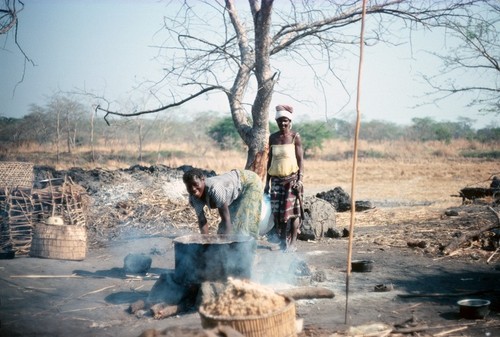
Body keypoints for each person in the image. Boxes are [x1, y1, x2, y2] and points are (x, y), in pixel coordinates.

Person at [264, 104, 304, 252]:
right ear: (276, 122)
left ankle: (292, 243)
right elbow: (270, 160)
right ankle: (282, 242)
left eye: (285, 120)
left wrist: (300, 180)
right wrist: (267, 183)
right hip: (276, 180)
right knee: (278, 214)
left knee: (293, 214)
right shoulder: (273, 138)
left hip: (292, 180)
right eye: (280, 120)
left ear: (290, 121)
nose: (283, 123)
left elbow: (301, 160)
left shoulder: (295, 137)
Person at [183, 168, 263, 238]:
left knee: (244, 223)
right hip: (235, 189)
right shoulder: (193, 196)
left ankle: (249, 251)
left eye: (196, 184)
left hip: (249, 182)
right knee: (223, 230)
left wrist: (224, 246)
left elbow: (226, 219)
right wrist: (205, 242)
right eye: (189, 187)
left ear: (203, 179)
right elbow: (202, 220)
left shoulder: (215, 189)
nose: (193, 189)